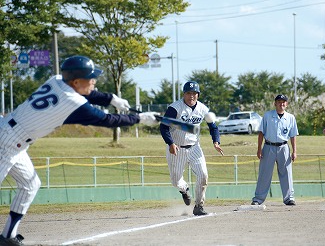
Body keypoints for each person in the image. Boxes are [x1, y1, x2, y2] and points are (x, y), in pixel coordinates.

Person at [0, 55, 158, 245]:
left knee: (31, 185)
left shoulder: (57, 80)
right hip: (6, 142)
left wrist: (112, 99)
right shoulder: (73, 104)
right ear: (75, 81)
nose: (94, 81)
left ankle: (8, 237)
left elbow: (88, 93)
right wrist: (140, 119)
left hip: (13, 138)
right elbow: (107, 120)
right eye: (90, 78)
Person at [160, 81, 224, 216]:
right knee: (176, 181)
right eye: (188, 93)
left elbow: (213, 127)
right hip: (176, 148)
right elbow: (164, 127)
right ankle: (184, 190)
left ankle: (199, 206)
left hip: (195, 147)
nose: (191, 96)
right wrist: (170, 143)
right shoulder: (175, 108)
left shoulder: (203, 109)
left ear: (198, 95)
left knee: (203, 175)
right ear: (184, 94)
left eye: (194, 93)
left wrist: (216, 142)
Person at [251, 94, 298, 206]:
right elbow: (261, 133)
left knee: (286, 173)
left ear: (286, 104)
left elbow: (293, 135)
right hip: (269, 146)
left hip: (284, 147)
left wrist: (294, 151)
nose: (281, 104)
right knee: (264, 174)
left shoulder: (290, 117)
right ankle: (258, 199)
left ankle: (289, 198)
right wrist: (259, 149)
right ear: (275, 103)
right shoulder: (267, 115)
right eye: (279, 101)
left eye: (284, 102)